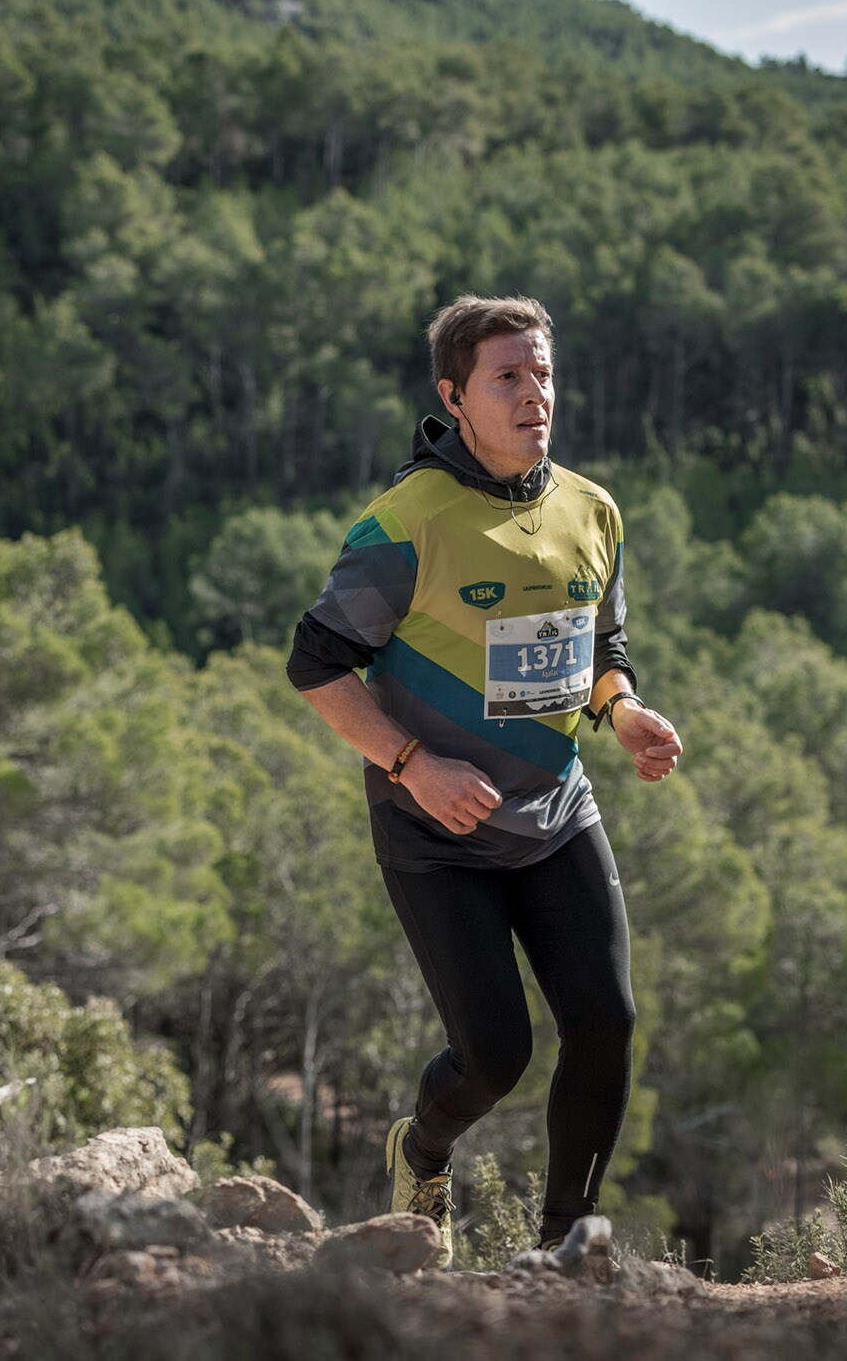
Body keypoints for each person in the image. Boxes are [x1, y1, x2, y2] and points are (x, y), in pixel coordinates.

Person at [286, 295, 681, 1268]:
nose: (532, 393)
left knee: (604, 1020)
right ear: (453, 396)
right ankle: (419, 1150)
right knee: (493, 1058)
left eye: (541, 372)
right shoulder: (404, 523)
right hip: (434, 833)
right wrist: (413, 766)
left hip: (552, 813)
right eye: (506, 376)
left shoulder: (591, 510)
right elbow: (316, 665)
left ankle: (564, 1246)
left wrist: (622, 713)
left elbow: (599, 646)